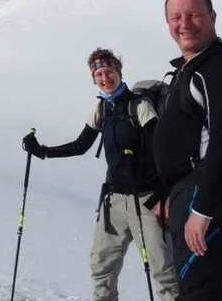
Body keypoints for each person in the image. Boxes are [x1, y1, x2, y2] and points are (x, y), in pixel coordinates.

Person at [21, 48, 179, 301]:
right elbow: (80, 145)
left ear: (119, 72)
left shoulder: (140, 107)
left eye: (109, 72)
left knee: (164, 273)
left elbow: (162, 154)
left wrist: (164, 196)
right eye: (99, 74)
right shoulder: (102, 109)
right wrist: (42, 151)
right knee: (101, 267)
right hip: (113, 202)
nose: (105, 78)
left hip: (147, 201)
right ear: (93, 78)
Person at [152, 0, 222, 301]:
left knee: (198, 293)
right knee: (221, 291)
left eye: (194, 15)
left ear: (212, 17)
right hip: (201, 194)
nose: (184, 24)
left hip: (210, 196)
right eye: (176, 16)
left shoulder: (217, 68)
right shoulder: (193, 69)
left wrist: (202, 208)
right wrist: (171, 194)